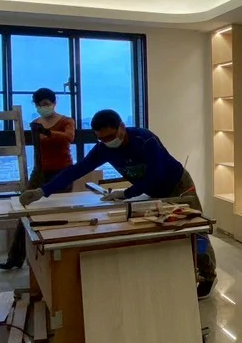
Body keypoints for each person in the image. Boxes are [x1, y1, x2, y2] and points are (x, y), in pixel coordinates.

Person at [20, 109, 218, 297]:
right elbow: (77, 170)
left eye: (110, 136)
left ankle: (208, 275)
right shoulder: (104, 149)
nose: (107, 142)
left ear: (122, 127)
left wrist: (126, 193)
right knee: (165, 231)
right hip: (152, 190)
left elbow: (156, 175)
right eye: (102, 139)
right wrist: (43, 191)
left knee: (195, 230)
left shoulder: (145, 139)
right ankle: (179, 274)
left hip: (178, 185)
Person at [0, 88, 75, 271]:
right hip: (39, 172)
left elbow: (69, 137)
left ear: (54, 103)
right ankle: (15, 258)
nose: (43, 107)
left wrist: (49, 133)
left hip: (62, 172)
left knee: (57, 213)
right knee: (25, 210)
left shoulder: (66, 121)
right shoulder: (35, 124)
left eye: (46, 104)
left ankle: (56, 258)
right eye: (40, 105)